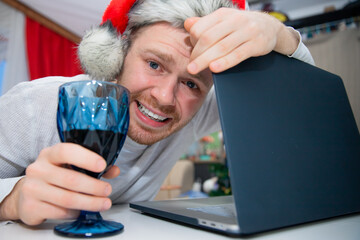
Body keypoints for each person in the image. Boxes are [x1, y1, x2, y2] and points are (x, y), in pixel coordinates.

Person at [0, 0, 314, 226]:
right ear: (119, 54)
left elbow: (306, 99)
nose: (165, 98)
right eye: (154, 64)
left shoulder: (195, 111)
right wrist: (9, 202)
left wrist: (277, 34)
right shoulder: (34, 105)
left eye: (191, 83)